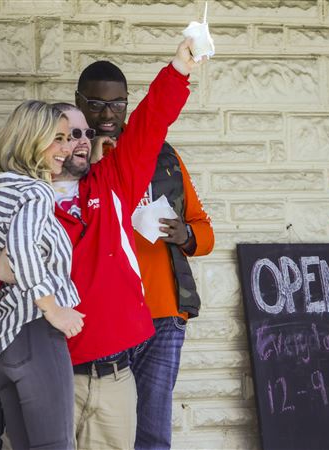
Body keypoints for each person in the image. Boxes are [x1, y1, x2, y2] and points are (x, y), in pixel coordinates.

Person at [0, 39, 198, 450]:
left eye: (85, 133)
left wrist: (178, 69)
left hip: (113, 378)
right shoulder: (11, 196)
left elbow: (150, 124)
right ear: (42, 140)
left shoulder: (112, 184)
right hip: (46, 374)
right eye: (68, 134)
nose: (81, 141)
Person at [76, 60, 214, 449]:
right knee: (100, 430)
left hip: (164, 311)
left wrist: (185, 235)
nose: (107, 114)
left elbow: (204, 231)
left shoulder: (162, 156)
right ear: (78, 102)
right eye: (96, 103)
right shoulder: (68, 154)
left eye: (117, 104)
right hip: (105, 315)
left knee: (152, 430)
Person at [0, 100, 84, 450]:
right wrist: (53, 309)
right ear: (30, 139)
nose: (66, 148)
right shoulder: (35, 191)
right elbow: (22, 249)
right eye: (56, 139)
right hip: (34, 331)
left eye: (67, 138)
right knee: (56, 445)